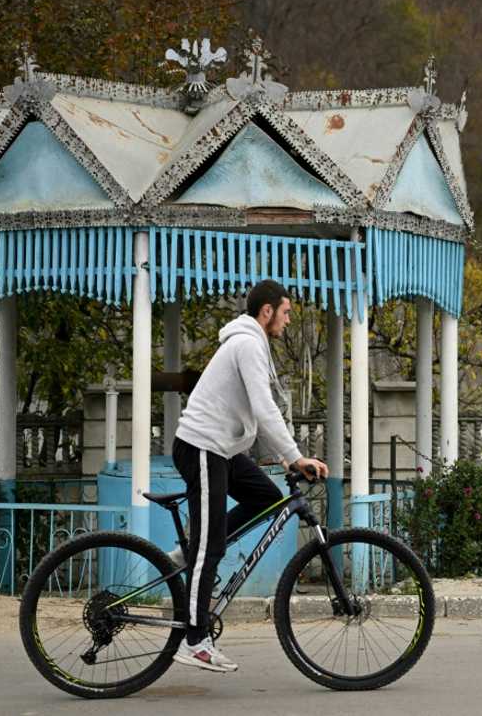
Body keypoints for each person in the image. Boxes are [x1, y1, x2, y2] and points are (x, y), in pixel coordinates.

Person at [170, 279, 328, 673]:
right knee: (212, 549)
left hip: (222, 449)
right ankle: (194, 641)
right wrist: (293, 458)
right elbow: (263, 408)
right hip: (202, 447)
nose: (289, 321)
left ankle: (193, 548)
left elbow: (263, 410)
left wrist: (285, 456)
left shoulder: (252, 344)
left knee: (269, 500)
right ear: (268, 311)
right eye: (287, 312)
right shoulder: (247, 343)